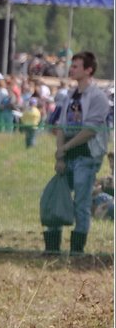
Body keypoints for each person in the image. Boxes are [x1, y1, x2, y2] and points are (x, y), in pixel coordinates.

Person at [45, 51, 110, 256]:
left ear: (88, 70)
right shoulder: (70, 96)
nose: (71, 69)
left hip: (87, 157)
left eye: (76, 66)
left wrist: (65, 147)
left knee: (81, 203)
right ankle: (52, 248)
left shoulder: (98, 97)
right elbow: (62, 126)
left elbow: (90, 131)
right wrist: (61, 154)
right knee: (56, 197)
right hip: (69, 157)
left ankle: (76, 251)